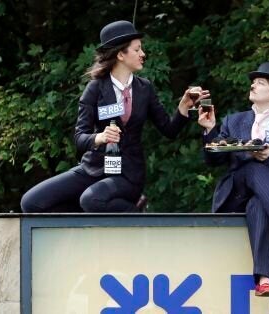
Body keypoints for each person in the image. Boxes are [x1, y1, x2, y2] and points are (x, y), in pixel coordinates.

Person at [21, 20, 208, 213]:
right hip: (94, 168)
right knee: (31, 203)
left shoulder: (145, 89)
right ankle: (92, 218)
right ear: (120, 54)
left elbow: (169, 130)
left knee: (91, 199)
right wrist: (99, 137)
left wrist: (184, 106)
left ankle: (136, 214)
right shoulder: (95, 88)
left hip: (127, 175)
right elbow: (79, 138)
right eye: (137, 50)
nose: (143, 54)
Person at [198, 62, 269, 297]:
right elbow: (213, 161)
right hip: (235, 194)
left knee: (258, 204)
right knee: (252, 167)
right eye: (254, 82)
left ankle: (264, 280)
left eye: (260, 83)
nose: (253, 85)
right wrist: (209, 131)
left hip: (264, 199)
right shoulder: (233, 121)